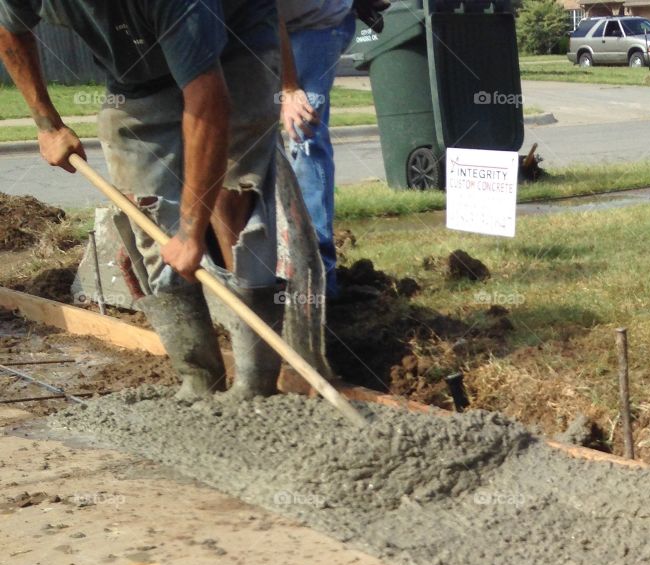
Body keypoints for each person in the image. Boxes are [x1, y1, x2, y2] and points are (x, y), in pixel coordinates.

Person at [0, 0, 285, 402]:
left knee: (231, 204)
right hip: (136, 74)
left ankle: (256, 387)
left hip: (233, 51)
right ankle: (199, 379)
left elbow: (208, 101)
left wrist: (190, 232)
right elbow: (9, 29)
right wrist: (47, 124)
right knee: (145, 212)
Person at [278, 0, 385, 301]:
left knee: (304, 133)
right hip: (270, 26)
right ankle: (272, 266)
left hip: (317, 24)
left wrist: (289, 88)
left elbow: (270, 13)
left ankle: (319, 275)